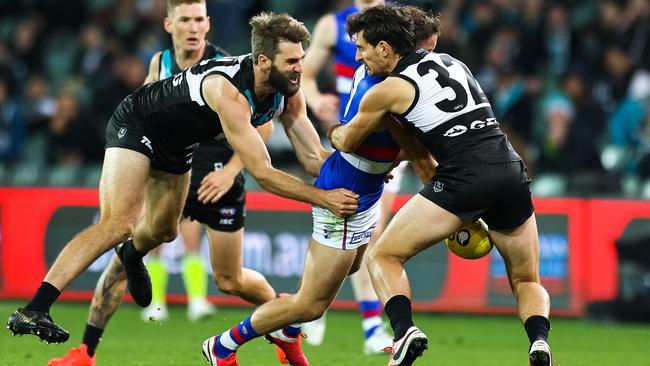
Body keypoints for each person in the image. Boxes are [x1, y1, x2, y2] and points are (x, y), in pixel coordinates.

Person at [7, 12, 359, 355]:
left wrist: (357, 172)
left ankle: (131, 255)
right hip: (138, 123)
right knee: (120, 223)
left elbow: (314, 156)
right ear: (264, 61)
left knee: (163, 232)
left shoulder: (287, 89)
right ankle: (35, 308)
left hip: (179, 145)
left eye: (301, 59)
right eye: (292, 61)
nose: (301, 67)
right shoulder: (228, 89)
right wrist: (323, 198)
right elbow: (263, 173)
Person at [200, 8, 439, 366]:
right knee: (309, 305)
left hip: (365, 187)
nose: (431, 60)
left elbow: (383, 143)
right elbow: (359, 141)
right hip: (346, 195)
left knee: (357, 265)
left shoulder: (379, 74)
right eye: (427, 51)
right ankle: (222, 345)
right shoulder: (384, 87)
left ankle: (287, 331)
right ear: (398, 47)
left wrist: (379, 162)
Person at [46, 2, 277, 365]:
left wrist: (231, 170)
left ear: (208, 24)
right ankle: (85, 350)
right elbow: (144, 110)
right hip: (172, 171)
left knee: (230, 280)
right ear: (169, 24)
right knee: (128, 250)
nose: (193, 28)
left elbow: (262, 126)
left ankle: (284, 322)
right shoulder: (160, 62)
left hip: (217, 172)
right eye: (185, 20)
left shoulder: (229, 67)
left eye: (199, 20)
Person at [330, 5, 553, 366]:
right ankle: (539, 342)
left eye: (364, 49)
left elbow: (348, 141)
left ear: (385, 48)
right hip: (511, 168)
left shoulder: (389, 89)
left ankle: (404, 332)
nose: (360, 57)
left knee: (383, 256)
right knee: (527, 279)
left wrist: (332, 130)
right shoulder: (454, 63)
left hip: (463, 175)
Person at [301, 0, 395, 353]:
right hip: (350, 137)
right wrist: (316, 99)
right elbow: (305, 75)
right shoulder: (332, 24)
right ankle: (315, 311)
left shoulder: (394, 23)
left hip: (385, 144)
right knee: (344, 230)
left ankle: (367, 325)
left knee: (373, 234)